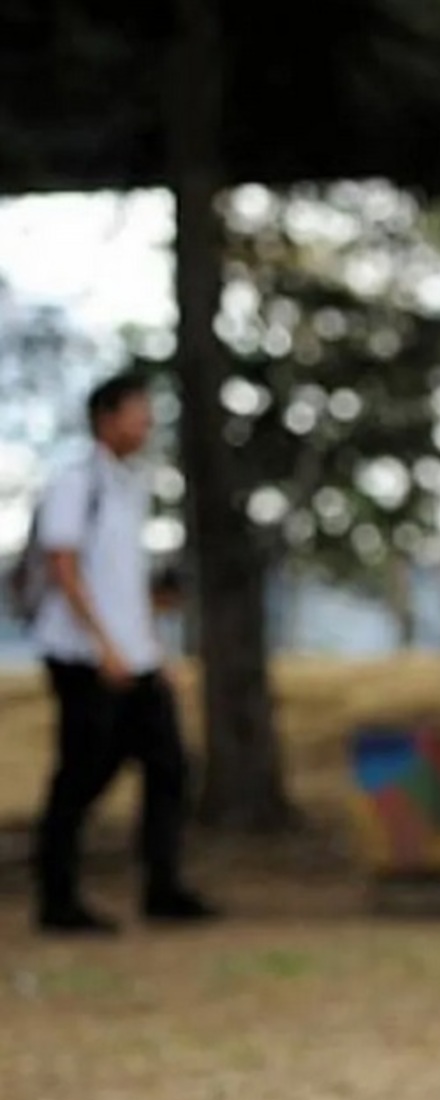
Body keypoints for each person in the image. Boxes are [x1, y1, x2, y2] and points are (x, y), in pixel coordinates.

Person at [30, 372, 217, 935]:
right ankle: (57, 899)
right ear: (106, 418)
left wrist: (150, 651)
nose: (148, 423)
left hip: (133, 657)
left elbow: (125, 586)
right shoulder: (75, 483)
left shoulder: (128, 486)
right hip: (83, 656)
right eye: (139, 412)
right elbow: (62, 567)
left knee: (169, 767)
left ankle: (164, 887)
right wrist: (103, 646)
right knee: (81, 775)